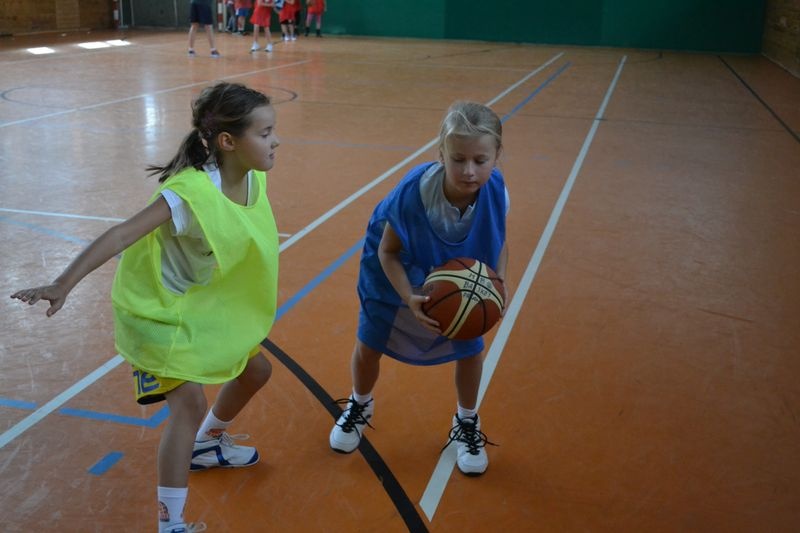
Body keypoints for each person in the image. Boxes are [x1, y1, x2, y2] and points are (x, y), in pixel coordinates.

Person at [11, 82, 282, 532]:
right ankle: (170, 524)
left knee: (256, 371)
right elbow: (121, 234)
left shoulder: (253, 177)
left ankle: (205, 444)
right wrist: (62, 283)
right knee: (188, 405)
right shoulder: (188, 194)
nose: (276, 141)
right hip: (156, 314)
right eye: (266, 132)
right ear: (228, 142)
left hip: (195, 306)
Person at [329, 101, 509, 476]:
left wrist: (498, 283)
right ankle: (360, 403)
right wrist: (409, 297)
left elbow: (498, 240)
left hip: (454, 266)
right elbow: (388, 251)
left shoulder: (496, 190)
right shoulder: (415, 192)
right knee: (370, 341)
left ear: (496, 156)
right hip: (396, 262)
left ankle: (467, 420)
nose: (469, 170)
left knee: (471, 348)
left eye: (480, 160)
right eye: (458, 159)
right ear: (440, 154)